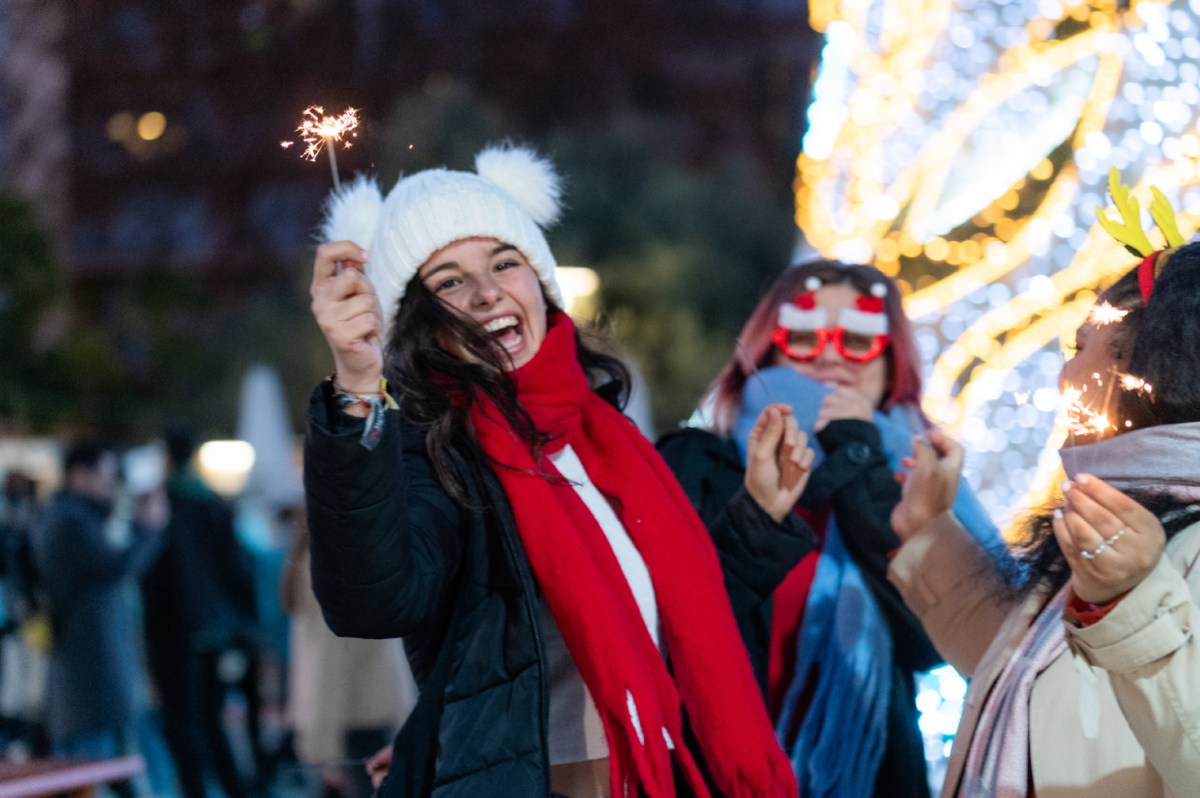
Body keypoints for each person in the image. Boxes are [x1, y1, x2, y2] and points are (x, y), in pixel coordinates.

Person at [304, 144, 812, 798]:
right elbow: (372, 599)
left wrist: (760, 516)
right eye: (450, 281)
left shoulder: (606, 437)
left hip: (665, 772)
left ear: (540, 285)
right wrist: (354, 385)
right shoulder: (432, 458)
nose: (488, 292)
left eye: (505, 262)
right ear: (420, 325)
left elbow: (673, 613)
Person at [658, 261, 995, 798]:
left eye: (858, 340)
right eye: (804, 338)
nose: (832, 354)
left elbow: (942, 644)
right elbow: (668, 623)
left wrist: (862, 464)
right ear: (765, 348)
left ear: (892, 361)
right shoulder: (694, 464)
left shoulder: (917, 478)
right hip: (714, 776)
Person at [888, 241, 1200, 796]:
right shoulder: (1117, 519)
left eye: (1081, 345)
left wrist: (1133, 602)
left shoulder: (1184, 540)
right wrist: (930, 531)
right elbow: (1025, 681)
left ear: (1137, 366)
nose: (1063, 378)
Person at [32, 441, 167, 786]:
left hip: (90, 670)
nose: (112, 485)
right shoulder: (69, 521)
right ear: (80, 475)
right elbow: (115, 566)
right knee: (85, 769)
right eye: (107, 476)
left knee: (97, 767)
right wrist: (149, 528)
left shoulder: (70, 515)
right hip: (88, 669)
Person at [140, 429, 259, 798]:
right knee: (212, 721)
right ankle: (236, 790)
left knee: (181, 723)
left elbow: (153, 573)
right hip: (218, 628)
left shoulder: (161, 507)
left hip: (175, 631)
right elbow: (238, 570)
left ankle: (196, 790)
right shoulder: (214, 503)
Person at [279, 509, 416, 798]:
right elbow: (328, 659)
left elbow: (326, 660)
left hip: (347, 717)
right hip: (356, 715)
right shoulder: (348, 562)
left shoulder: (322, 565)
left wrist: (323, 743)